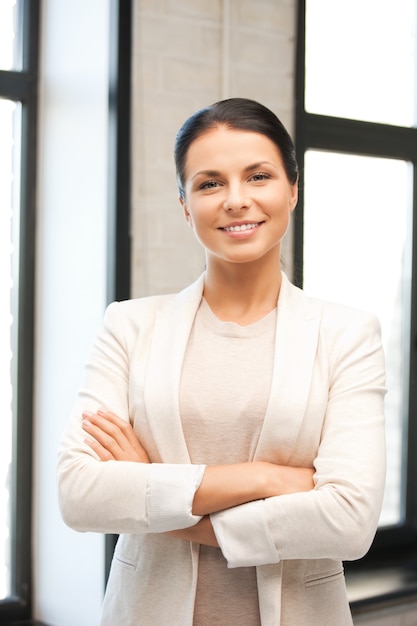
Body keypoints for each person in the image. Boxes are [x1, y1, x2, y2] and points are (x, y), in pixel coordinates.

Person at [58, 97, 386, 625]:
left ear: (292, 189)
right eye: (210, 183)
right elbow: (80, 495)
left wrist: (150, 488)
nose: (236, 200)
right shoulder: (130, 326)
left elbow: (349, 521)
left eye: (258, 176)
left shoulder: (347, 334)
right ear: (185, 204)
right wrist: (265, 478)